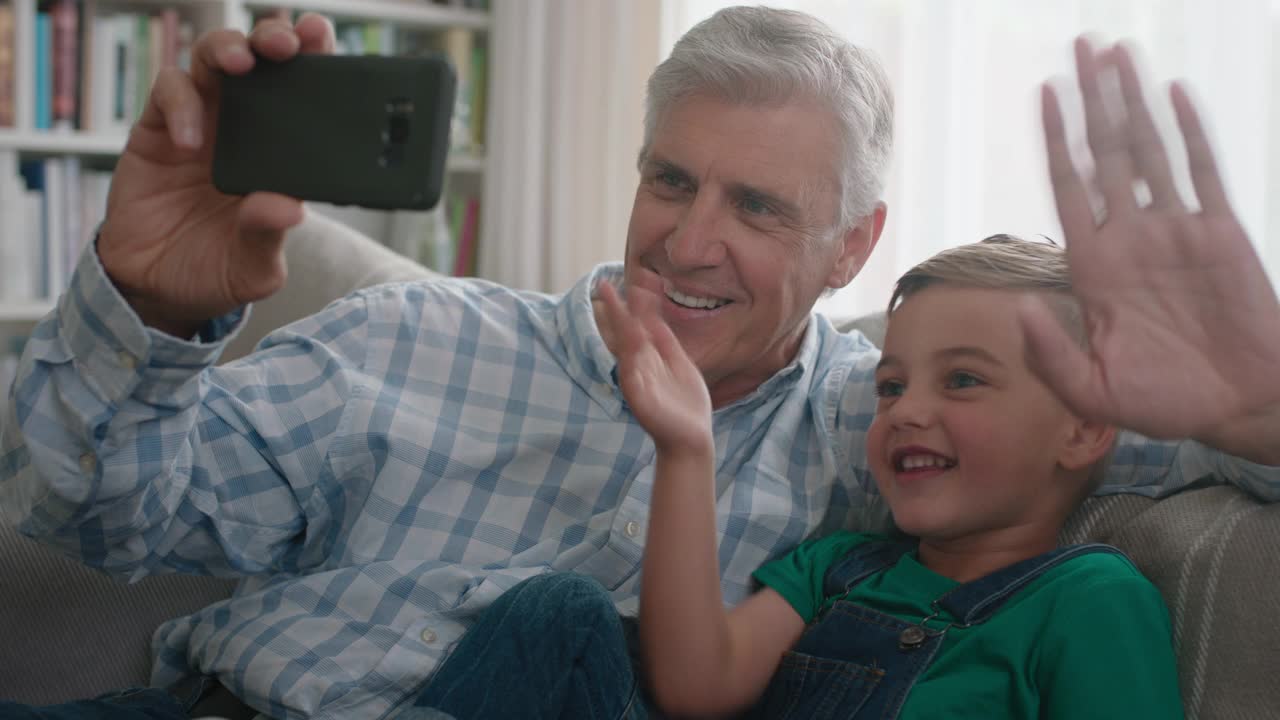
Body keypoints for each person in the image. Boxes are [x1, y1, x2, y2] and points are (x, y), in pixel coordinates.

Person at [2, 5, 1279, 719]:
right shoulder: (414, 338)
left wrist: (1253, 396)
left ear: (852, 249)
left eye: (758, 209)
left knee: (563, 624)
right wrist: (150, 312)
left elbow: (1155, 438)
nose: (687, 236)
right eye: (669, 179)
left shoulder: (886, 426)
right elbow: (88, 516)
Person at [409, 234, 1185, 720]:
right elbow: (694, 686)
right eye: (891, 386)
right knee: (559, 612)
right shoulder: (837, 568)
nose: (907, 411)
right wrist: (686, 449)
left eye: (962, 382)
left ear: (1083, 428)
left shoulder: (1089, 599)